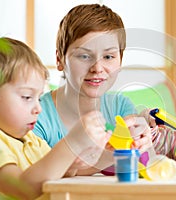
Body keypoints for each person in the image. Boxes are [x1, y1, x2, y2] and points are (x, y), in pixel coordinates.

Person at [0, 37, 110, 199]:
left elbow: (61, 171)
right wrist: (72, 143)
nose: (38, 108)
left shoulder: (31, 140)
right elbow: (23, 188)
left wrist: (110, 155)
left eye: (39, 97)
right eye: (27, 97)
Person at [33, 4, 153, 174]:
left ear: (120, 60)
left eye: (108, 57)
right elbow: (36, 176)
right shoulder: (36, 115)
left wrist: (141, 141)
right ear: (60, 60)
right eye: (84, 56)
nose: (97, 67)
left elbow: (140, 161)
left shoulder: (121, 106)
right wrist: (113, 154)